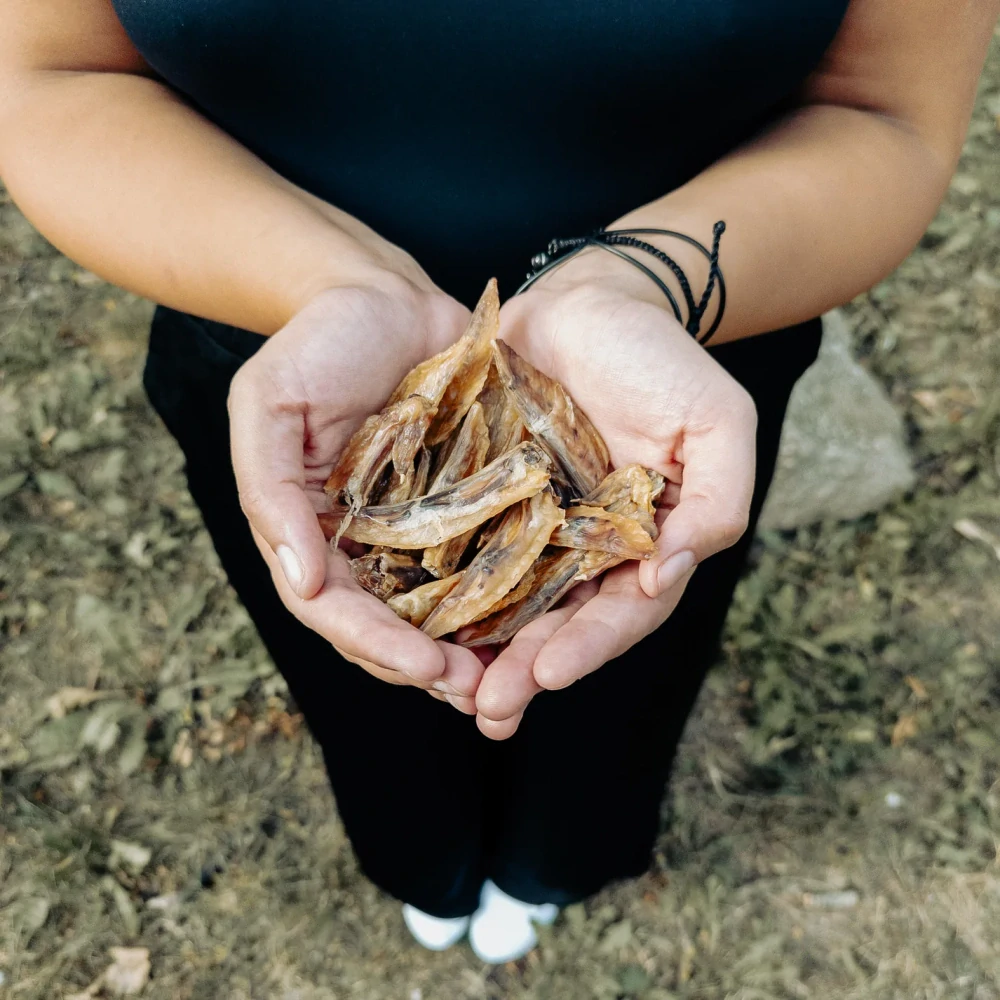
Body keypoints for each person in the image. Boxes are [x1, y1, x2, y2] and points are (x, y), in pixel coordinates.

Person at [0, 0, 994, 964]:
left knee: (627, 667)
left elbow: (882, 108)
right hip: (294, 387)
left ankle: (553, 865)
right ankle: (422, 867)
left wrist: (631, 283)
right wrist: (333, 289)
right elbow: (53, 75)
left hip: (663, 397)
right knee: (356, 667)